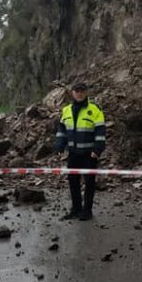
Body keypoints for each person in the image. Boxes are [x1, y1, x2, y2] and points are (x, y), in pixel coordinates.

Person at [55, 82, 106, 221]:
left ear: (86, 92)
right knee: (73, 181)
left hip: (89, 154)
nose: (79, 93)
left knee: (89, 182)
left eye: (82, 90)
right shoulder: (66, 110)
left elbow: (100, 131)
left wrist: (98, 149)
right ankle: (76, 209)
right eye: (77, 91)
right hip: (73, 153)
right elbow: (62, 130)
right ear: (72, 92)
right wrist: (60, 146)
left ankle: (87, 211)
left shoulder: (95, 109)